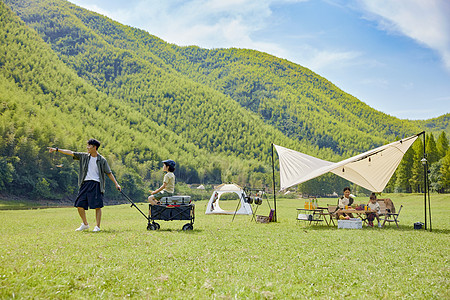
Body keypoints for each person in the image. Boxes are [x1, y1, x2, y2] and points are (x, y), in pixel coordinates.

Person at [48, 139, 121, 232]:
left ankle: (97, 226)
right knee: (79, 205)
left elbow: (109, 173)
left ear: (94, 147)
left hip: (96, 184)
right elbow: (70, 152)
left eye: (89, 146)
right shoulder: (84, 156)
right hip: (85, 183)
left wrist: (116, 184)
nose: (87, 147)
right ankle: (85, 224)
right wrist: (56, 149)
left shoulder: (102, 160)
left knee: (97, 206)